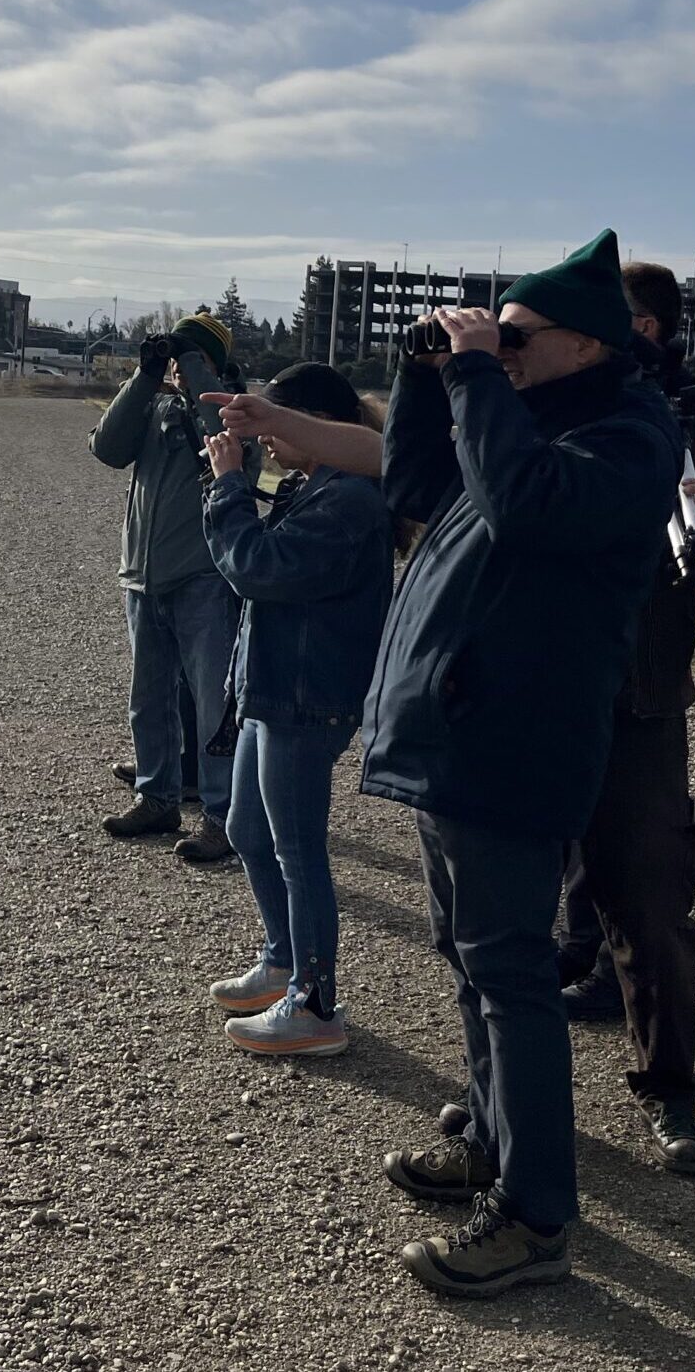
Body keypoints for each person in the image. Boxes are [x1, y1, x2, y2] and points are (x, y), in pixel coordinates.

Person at [211, 230, 681, 1298]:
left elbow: (526, 504)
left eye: (518, 337)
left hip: (517, 742)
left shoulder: (626, 435)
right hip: (454, 737)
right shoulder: (523, 414)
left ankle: (533, 1216)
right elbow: (416, 482)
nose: (501, 350)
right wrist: (426, 374)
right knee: (465, 957)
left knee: (511, 972)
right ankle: (488, 1137)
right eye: (495, 335)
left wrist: (477, 374)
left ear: (586, 343)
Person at [540, 260, 695, 1173]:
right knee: (513, 908)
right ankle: (496, 1102)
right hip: (538, 687)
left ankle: (672, 1100)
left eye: (627, 321)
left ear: (657, 330)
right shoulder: (535, 403)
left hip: (642, 693)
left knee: (657, 908)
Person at [196, 364, 392, 1057]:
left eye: (276, 426)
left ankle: (314, 1004)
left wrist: (225, 489)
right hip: (272, 686)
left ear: (314, 423)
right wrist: (243, 480)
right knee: (249, 828)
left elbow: (258, 568)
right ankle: (282, 961)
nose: (269, 444)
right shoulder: (313, 484)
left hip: (308, 696)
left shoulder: (351, 500)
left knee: (298, 849)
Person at [89, 311, 253, 862]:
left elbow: (223, 441)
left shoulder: (236, 408)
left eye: (194, 358)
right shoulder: (154, 404)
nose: (181, 369)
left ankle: (220, 815)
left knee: (213, 706)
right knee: (148, 700)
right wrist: (145, 376)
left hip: (204, 576)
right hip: (142, 574)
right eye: (179, 357)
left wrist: (195, 371)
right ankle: (156, 796)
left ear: (214, 364)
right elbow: (108, 449)